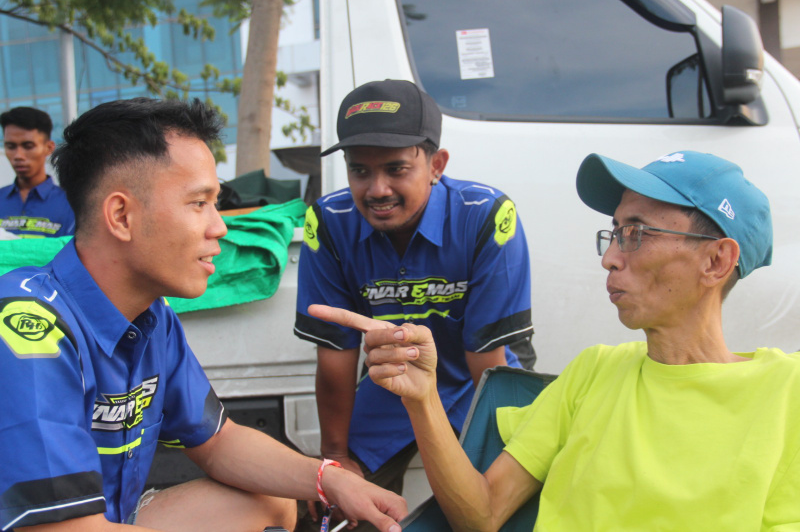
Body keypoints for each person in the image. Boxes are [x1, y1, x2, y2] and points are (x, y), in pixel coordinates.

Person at [309, 150, 800, 531]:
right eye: (613, 234)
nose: (610, 259)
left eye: (637, 234)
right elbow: (480, 516)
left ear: (715, 261)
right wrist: (422, 397)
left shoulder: (785, 392)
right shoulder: (593, 372)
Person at [0, 98, 407, 532]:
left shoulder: (152, 315)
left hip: (108, 520)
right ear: (121, 215)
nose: (220, 227)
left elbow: (218, 440)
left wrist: (329, 479)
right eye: (199, 203)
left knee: (272, 499)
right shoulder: (30, 329)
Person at [294, 79, 534, 530]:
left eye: (396, 168)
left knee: (500, 508)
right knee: (336, 505)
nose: (377, 189)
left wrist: (497, 469)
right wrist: (336, 457)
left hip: (481, 379)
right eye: (360, 171)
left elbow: (488, 363)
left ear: (436, 164)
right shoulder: (328, 222)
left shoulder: (486, 216)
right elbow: (335, 359)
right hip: (392, 382)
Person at [0, 106, 75, 238]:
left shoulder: (71, 203)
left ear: (49, 147)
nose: (18, 155)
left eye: (28, 146)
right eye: (10, 146)